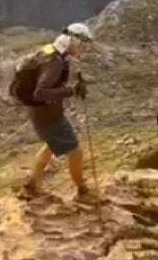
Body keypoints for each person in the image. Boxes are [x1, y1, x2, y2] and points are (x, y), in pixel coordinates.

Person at [13, 22, 101, 204]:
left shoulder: (49, 52)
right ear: (72, 41)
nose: (83, 49)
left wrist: (67, 88)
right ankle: (83, 191)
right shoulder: (55, 63)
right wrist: (69, 91)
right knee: (76, 152)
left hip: (40, 113)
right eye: (81, 45)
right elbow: (40, 92)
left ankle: (30, 186)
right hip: (49, 116)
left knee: (51, 146)